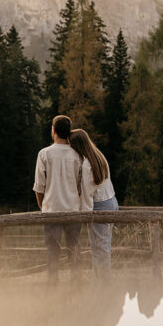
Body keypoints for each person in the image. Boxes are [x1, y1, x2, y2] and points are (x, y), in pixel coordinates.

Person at [33, 115, 83, 277]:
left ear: (53, 131)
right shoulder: (77, 155)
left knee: (52, 252)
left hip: (52, 210)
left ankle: (52, 287)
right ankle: (76, 285)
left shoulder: (44, 154)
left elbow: (39, 186)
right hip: (73, 209)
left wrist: (42, 205)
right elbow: (80, 185)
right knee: (74, 250)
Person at [68, 128, 117, 274]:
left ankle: (102, 283)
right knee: (103, 245)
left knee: (99, 248)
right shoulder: (98, 156)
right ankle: (102, 280)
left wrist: (84, 216)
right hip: (111, 200)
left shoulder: (87, 165)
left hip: (100, 205)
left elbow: (87, 195)